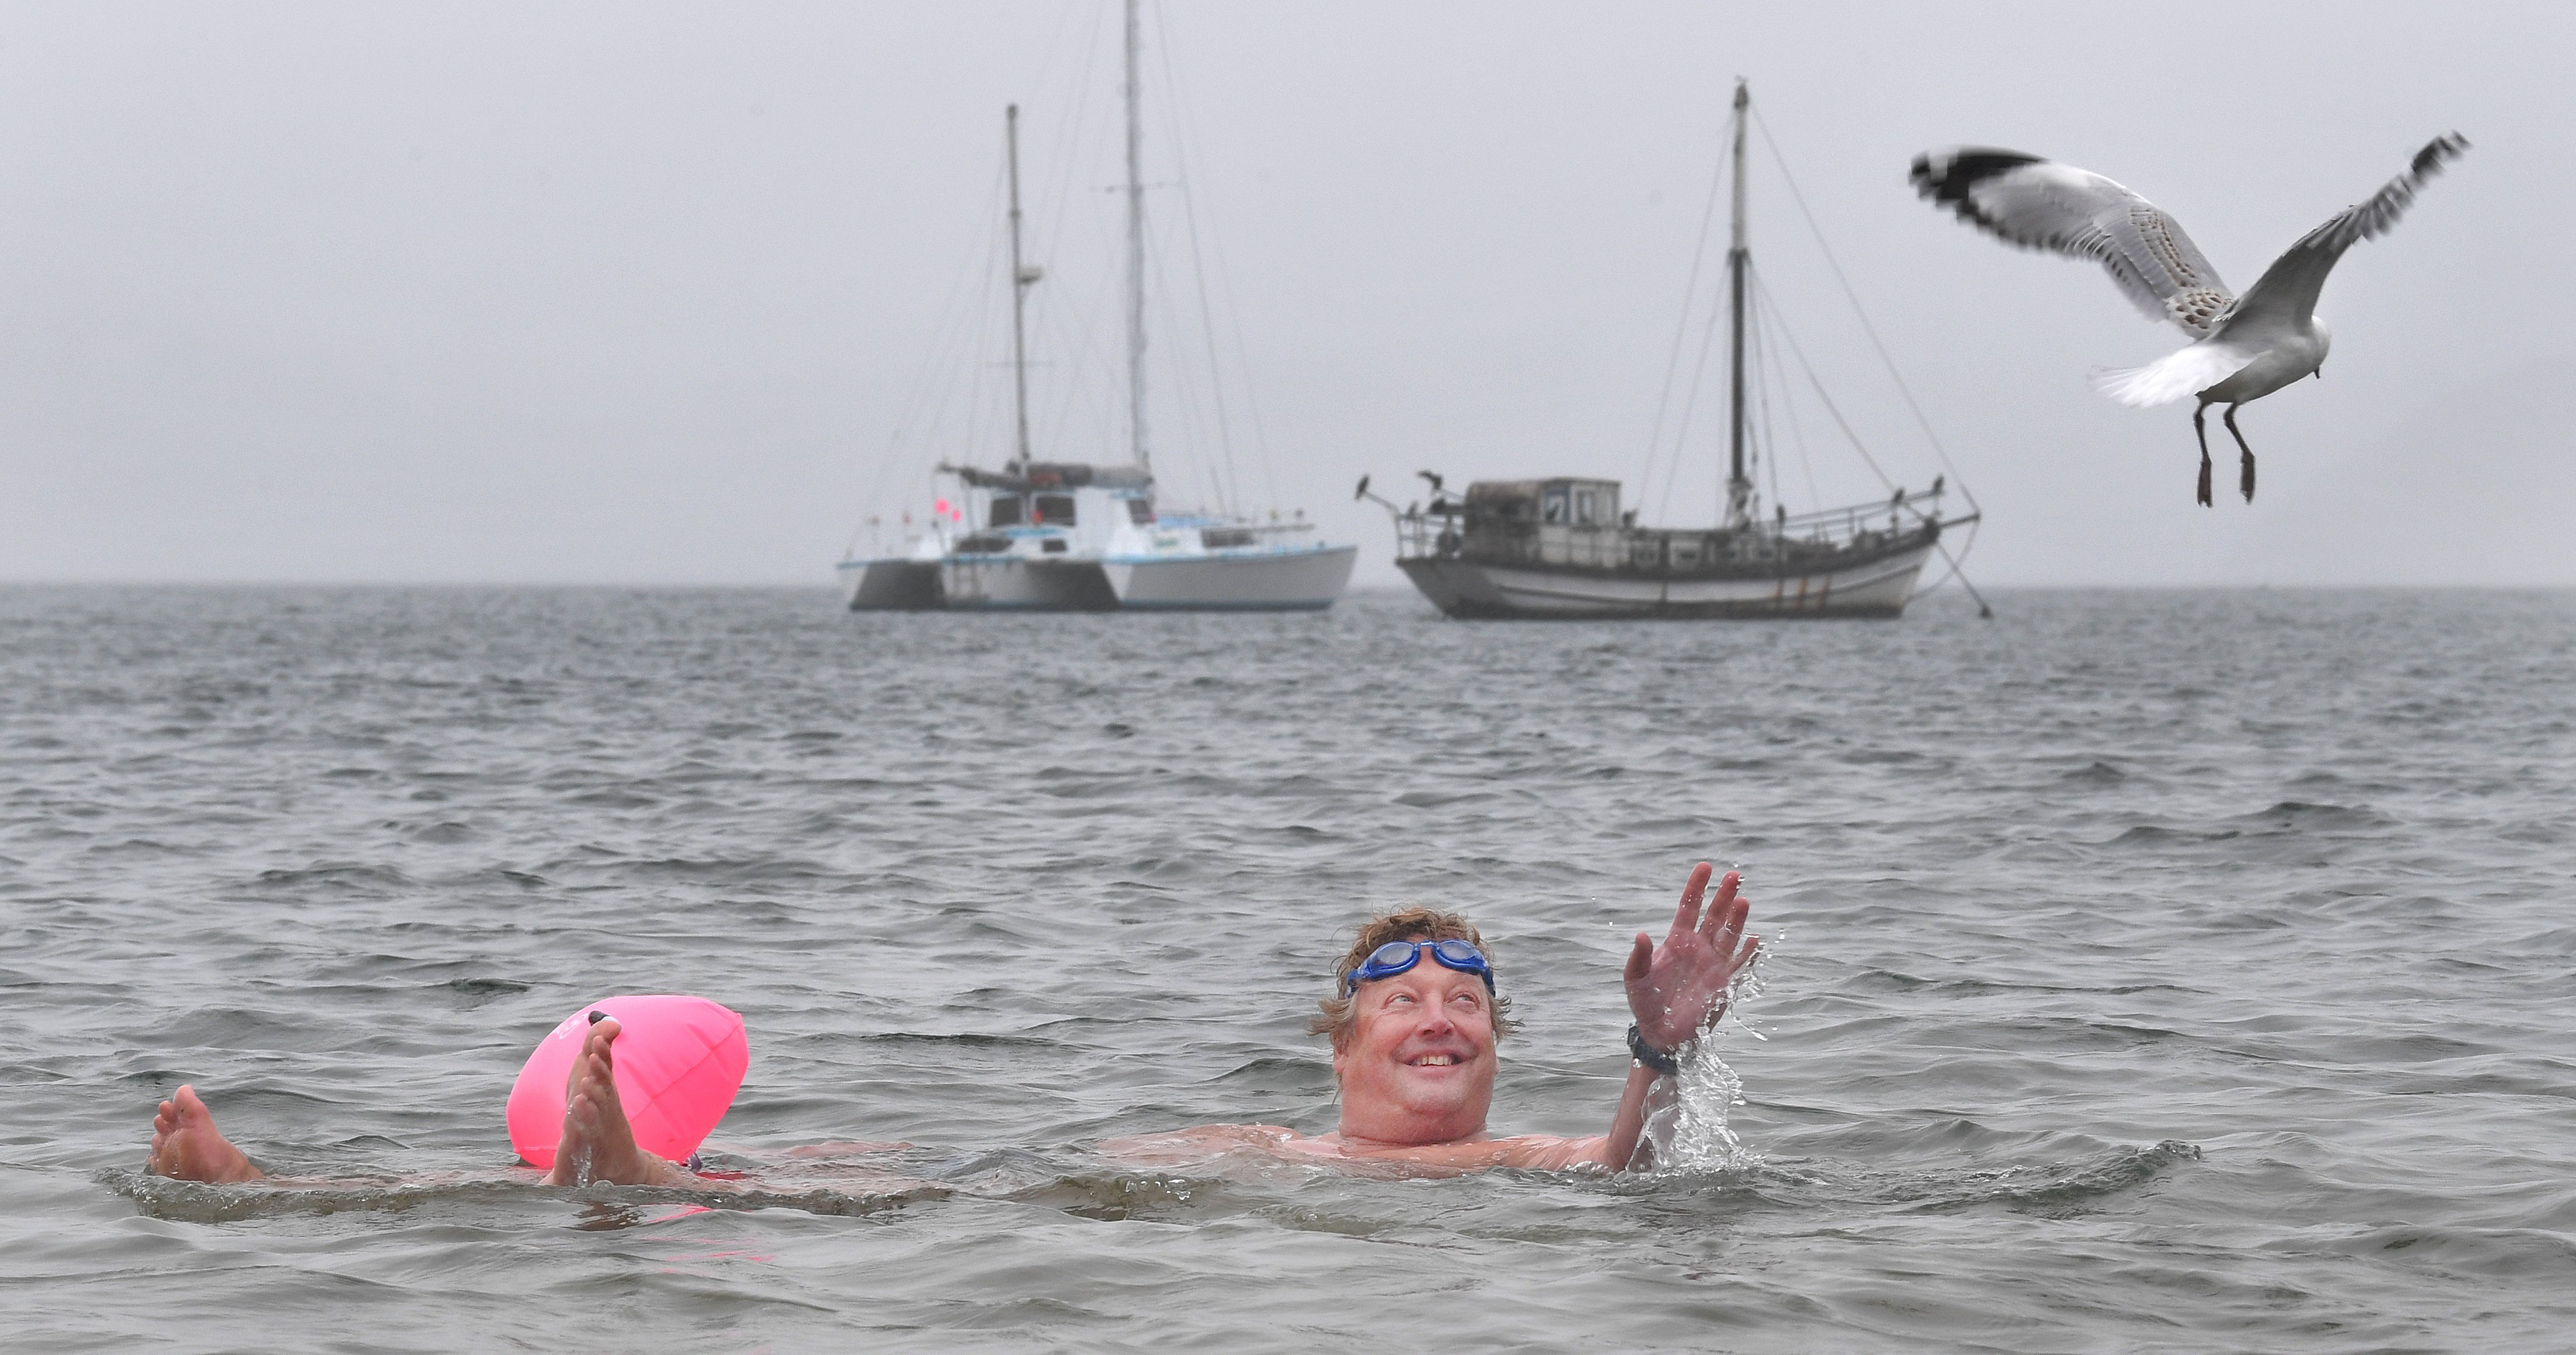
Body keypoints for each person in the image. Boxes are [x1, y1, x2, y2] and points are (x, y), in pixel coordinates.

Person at [146, 862, 1756, 1184]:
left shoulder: (1528, 1157)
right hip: (1041, 1189)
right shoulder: (1256, 1139)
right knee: (826, 1175)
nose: (1431, 1015)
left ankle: (625, 1183)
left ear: (1500, 1051)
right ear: (1333, 1048)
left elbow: (1627, 1173)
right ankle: (280, 1197)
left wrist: (1661, 1054)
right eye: (1397, 998)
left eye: (1461, 1004)